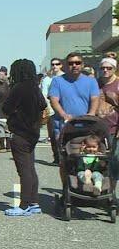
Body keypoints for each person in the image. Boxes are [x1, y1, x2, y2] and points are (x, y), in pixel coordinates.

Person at [2, 59, 47, 216]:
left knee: (24, 170)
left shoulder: (18, 88)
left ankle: (24, 205)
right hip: (33, 132)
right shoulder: (35, 88)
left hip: (20, 132)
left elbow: (6, 108)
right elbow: (43, 105)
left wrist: (16, 112)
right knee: (31, 168)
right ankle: (34, 202)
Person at [49, 52, 100, 185]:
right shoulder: (58, 81)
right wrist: (63, 114)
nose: (74, 65)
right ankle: (67, 189)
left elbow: (95, 98)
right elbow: (54, 100)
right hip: (64, 126)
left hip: (86, 126)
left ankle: (89, 185)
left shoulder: (90, 81)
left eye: (77, 63)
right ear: (66, 65)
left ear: (82, 65)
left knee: (88, 158)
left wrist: (92, 113)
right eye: (71, 63)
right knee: (64, 161)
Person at [41, 57, 65, 163]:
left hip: (65, 110)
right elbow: (44, 96)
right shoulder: (47, 79)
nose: (55, 66)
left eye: (57, 64)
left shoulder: (66, 77)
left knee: (64, 134)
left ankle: (65, 158)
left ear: (61, 65)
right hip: (51, 111)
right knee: (54, 136)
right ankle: (57, 157)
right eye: (53, 64)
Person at [98, 57, 119, 135]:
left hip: (114, 128)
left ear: (115, 69)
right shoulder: (95, 83)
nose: (105, 70)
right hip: (97, 128)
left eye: (109, 68)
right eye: (103, 68)